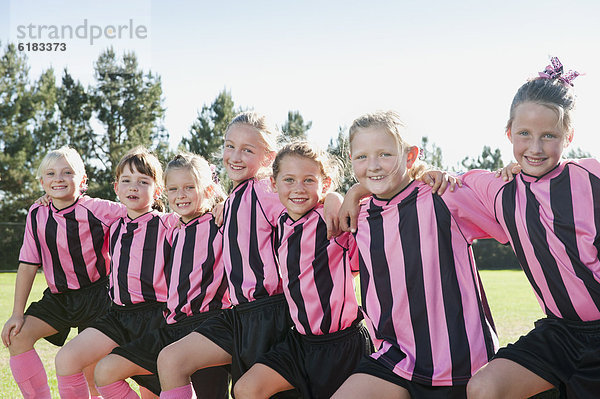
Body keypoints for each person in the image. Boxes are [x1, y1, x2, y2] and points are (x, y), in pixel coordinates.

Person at [157, 112, 342, 399]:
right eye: (229, 146)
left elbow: (306, 199)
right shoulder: (232, 200)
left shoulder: (267, 190)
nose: (235, 156)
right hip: (238, 315)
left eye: (247, 149)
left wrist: (334, 198)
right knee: (171, 360)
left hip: (271, 312)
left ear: (267, 157)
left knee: (257, 391)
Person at [331, 111, 507, 399]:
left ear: (410, 156)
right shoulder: (358, 218)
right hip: (395, 358)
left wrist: (512, 171)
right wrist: (340, 196)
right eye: (361, 157)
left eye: (385, 154)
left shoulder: (442, 195)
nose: (373, 166)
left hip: (459, 361)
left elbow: (508, 203)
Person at [462, 57, 600, 399]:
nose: (535, 148)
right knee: (483, 387)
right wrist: (352, 193)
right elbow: (429, 182)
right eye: (524, 134)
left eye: (548, 135)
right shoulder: (497, 189)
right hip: (560, 334)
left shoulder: (591, 176)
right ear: (509, 132)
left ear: (568, 137)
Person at [233, 141, 373, 399]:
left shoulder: (332, 221)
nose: (298, 188)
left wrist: (345, 195)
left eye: (309, 180)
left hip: (341, 343)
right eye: (289, 180)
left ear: (325, 184)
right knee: (245, 388)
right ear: (273, 185)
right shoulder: (282, 223)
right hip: (301, 343)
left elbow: (382, 196)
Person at [92, 152, 231, 398]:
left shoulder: (219, 224)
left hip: (210, 325)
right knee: (106, 370)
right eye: (174, 189)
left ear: (208, 189)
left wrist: (225, 205)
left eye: (190, 187)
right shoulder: (173, 227)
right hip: (173, 325)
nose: (181, 195)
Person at [1, 146, 125, 399]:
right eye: (51, 174)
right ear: (42, 181)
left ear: (82, 179)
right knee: (17, 337)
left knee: (90, 373)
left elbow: (139, 213)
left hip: (98, 297)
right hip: (59, 298)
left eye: (67, 172)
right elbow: (27, 264)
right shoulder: (37, 213)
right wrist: (16, 313)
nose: (58, 178)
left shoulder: (99, 209)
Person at [53, 146, 177, 398]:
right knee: (67, 358)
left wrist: (215, 206)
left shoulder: (168, 223)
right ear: (116, 188)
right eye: (126, 181)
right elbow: (77, 207)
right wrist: (50, 200)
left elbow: (196, 213)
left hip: (156, 318)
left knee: (151, 389)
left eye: (143, 181)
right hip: (117, 316)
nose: (133, 187)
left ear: (158, 191)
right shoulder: (113, 223)